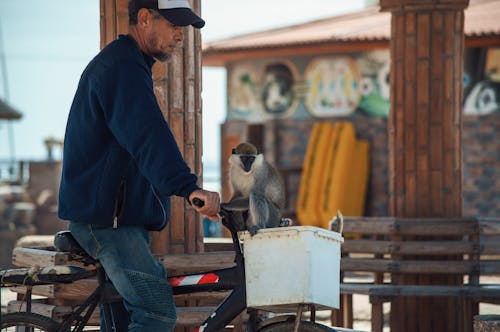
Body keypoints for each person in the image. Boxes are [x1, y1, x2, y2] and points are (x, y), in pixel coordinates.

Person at [57, 0, 220, 331]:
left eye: (183, 28)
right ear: (145, 19)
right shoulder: (121, 69)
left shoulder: (127, 64)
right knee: (156, 313)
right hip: (108, 224)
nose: (180, 35)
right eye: (173, 25)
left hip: (114, 220)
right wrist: (188, 188)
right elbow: (148, 137)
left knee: (121, 321)